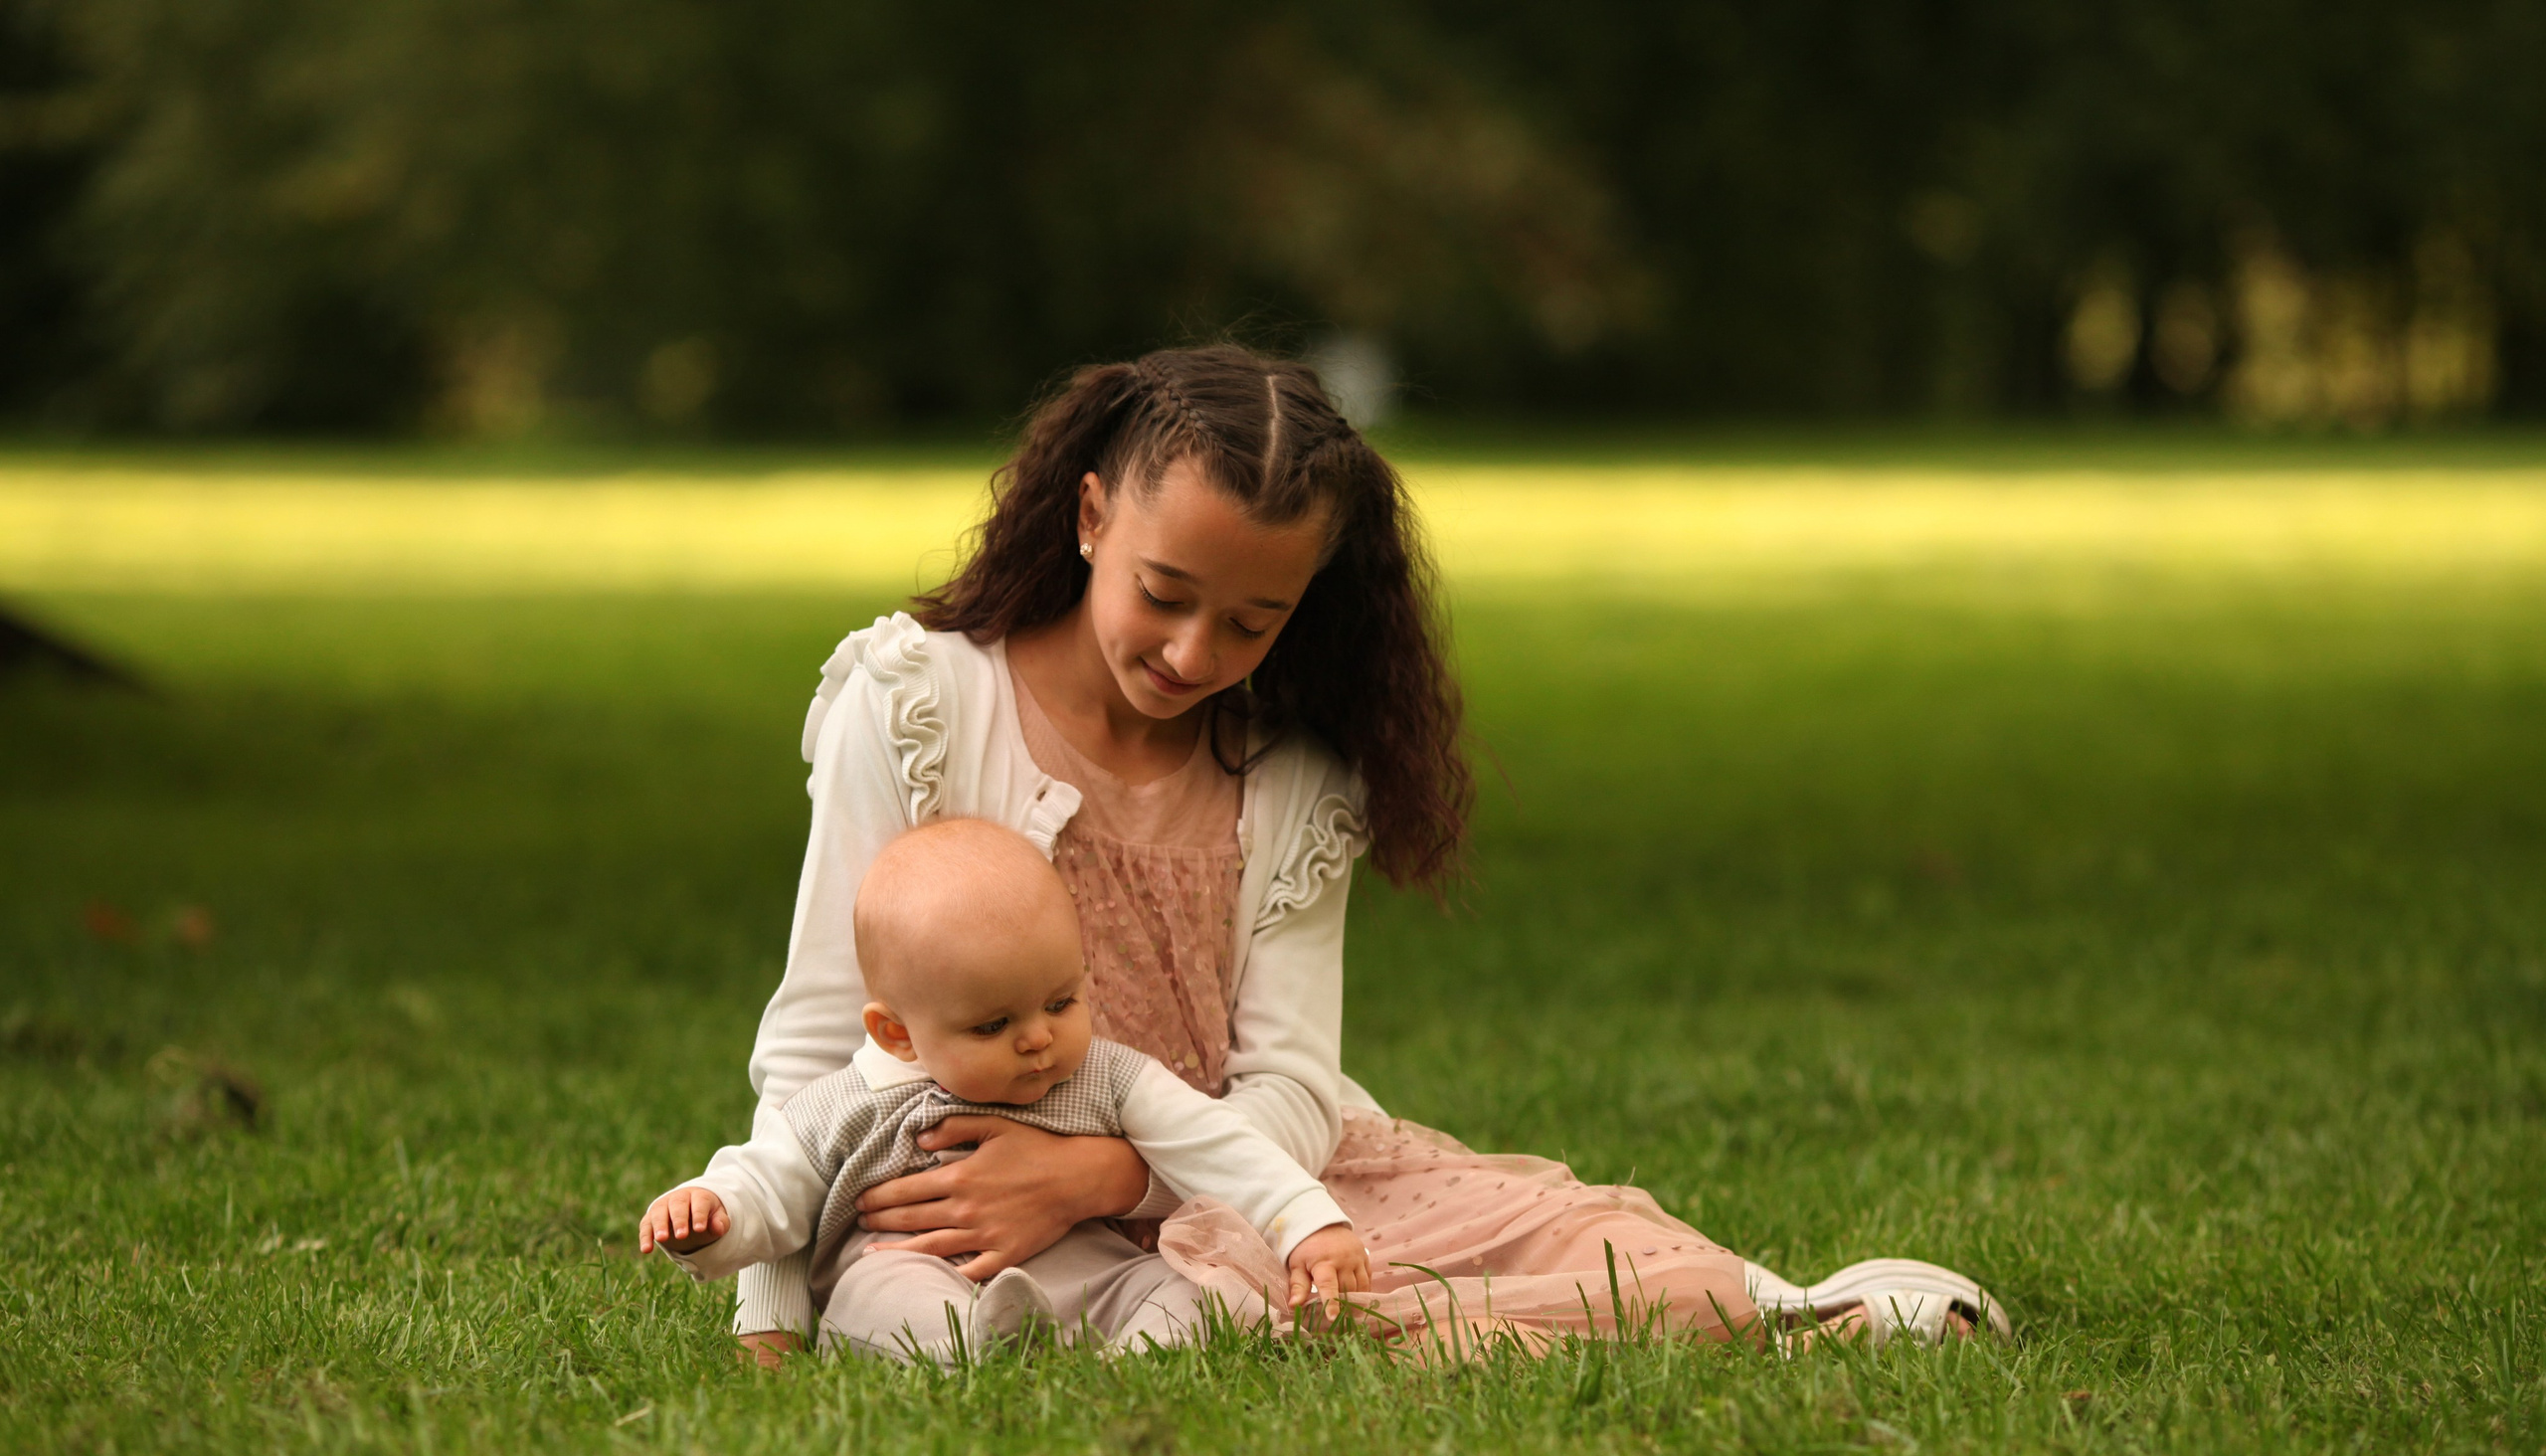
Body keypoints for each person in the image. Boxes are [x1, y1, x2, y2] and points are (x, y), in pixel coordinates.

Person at [725, 344, 2006, 1365]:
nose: (1192, 653)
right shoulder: (918, 704)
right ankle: (1778, 1335)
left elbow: (1290, 1084)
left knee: (1543, 1237)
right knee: (1305, 1328)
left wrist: (1105, 1174)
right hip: (965, 1205)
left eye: (1251, 621)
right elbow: (818, 1039)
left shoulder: (1288, 775)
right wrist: (770, 1308)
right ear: (1090, 516)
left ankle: (1795, 1311)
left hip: (1230, 1178)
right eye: (1163, 594)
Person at [636, 818, 1370, 1362]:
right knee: (879, 1300)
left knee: (1190, 1290)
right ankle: (970, 1345)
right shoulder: (844, 1105)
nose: (1038, 1038)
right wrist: (713, 1212)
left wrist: (1307, 1221)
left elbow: (1216, 1144)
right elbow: (769, 1186)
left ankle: (1136, 1355)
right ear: (897, 1033)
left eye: (1061, 1001)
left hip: (1086, 1273)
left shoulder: (1106, 1076)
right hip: (912, 1268)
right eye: (994, 1025)